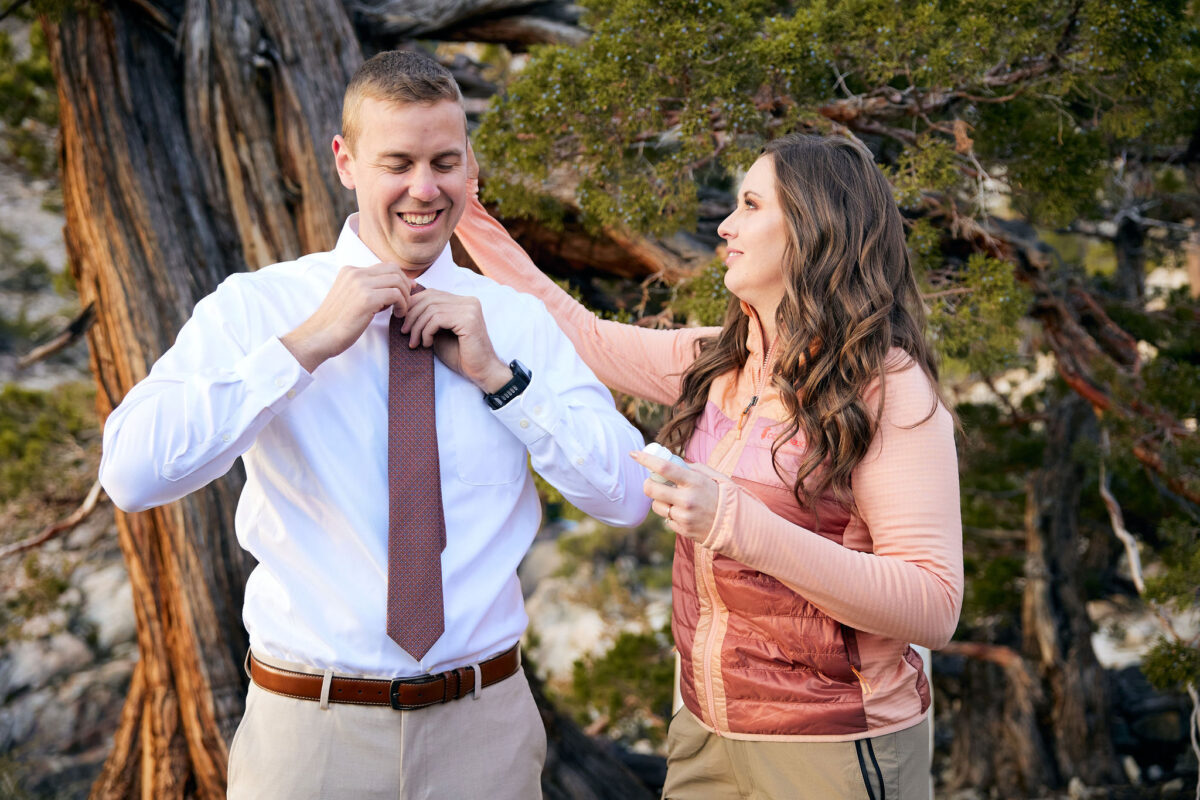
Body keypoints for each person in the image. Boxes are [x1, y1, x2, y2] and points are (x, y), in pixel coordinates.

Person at [98, 50, 650, 800]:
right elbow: (131, 475)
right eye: (399, 163)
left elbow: (627, 496)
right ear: (345, 161)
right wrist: (301, 349)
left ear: (470, 165)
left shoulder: (519, 324)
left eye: (445, 162)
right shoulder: (258, 309)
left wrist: (502, 382)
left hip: (483, 733)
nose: (425, 190)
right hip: (309, 734)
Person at [455, 132, 963, 799]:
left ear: (813, 228)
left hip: (834, 747)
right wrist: (462, 206)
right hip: (703, 734)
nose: (725, 226)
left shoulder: (888, 388)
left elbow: (933, 604)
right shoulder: (719, 360)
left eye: (751, 205)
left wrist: (735, 523)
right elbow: (579, 336)